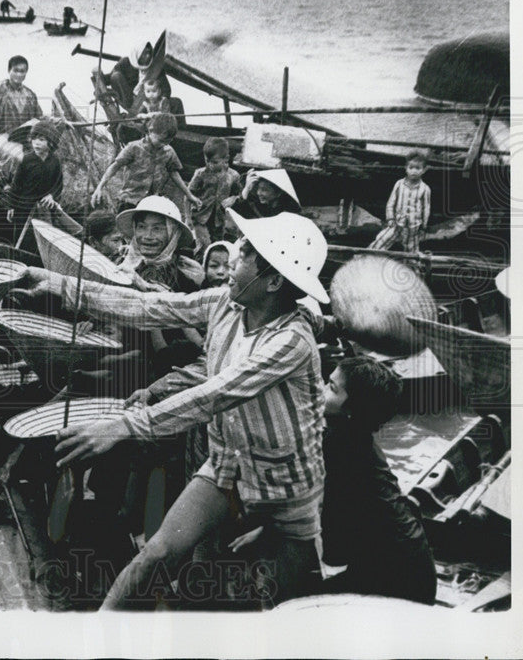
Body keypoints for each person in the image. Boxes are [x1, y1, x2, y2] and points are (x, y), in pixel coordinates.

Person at [24, 209, 330, 610]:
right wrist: (61, 284)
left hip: (284, 487)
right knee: (158, 553)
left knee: (274, 601)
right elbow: (153, 307)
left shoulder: (292, 342)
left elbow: (215, 395)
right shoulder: (228, 303)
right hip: (225, 465)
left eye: (246, 256)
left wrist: (124, 425)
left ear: (272, 281)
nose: (233, 264)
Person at [318, 356, 437, 604]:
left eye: (331, 387)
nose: (320, 390)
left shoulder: (339, 449)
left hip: (399, 584)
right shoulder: (357, 439)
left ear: (351, 409)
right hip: (414, 568)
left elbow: (334, 551)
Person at [0, 117, 64, 246]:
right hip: (14, 198)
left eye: (42, 139)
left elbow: (57, 183)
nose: (35, 144)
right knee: (1, 206)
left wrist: (51, 196)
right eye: (33, 139)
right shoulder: (13, 158)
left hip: (38, 201)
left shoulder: (53, 161)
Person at [91, 112, 202, 217]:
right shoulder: (133, 147)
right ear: (150, 130)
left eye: (167, 142)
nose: (163, 145)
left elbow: (174, 173)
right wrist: (99, 187)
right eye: (161, 141)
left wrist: (189, 195)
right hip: (130, 201)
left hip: (151, 203)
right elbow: (115, 166)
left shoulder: (169, 152)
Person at [0, 55, 44, 181]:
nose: (18, 74)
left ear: (26, 73)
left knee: (17, 186)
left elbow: (39, 118)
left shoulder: (30, 95)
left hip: (21, 147)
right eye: (15, 70)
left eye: (22, 71)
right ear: (9, 71)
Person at [369, 151, 431, 253]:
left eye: (418, 168)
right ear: (406, 168)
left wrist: (423, 226)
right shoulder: (399, 184)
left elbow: (426, 208)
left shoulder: (425, 189)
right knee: (382, 240)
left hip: (413, 226)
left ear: (424, 170)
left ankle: (413, 266)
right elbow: (391, 203)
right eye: (411, 168)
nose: (414, 171)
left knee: (411, 249)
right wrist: (390, 218)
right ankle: (367, 257)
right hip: (397, 222)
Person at [188, 137, 242, 251]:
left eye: (214, 162)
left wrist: (234, 198)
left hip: (219, 221)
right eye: (207, 161)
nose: (210, 165)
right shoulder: (200, 174)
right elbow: (187, 195)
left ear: (226, 159)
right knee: (204, 246)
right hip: (200, 218)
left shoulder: (233, 176)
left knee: (216, 247)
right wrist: (188, 218)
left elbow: (240, 195)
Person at [227, 168, 301, 221]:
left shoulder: (287, 213)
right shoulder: (256, 206)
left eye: (264, 190)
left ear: (278, 193)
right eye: (258, 188)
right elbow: (230, 211)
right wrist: (246, 189)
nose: (259, 193)